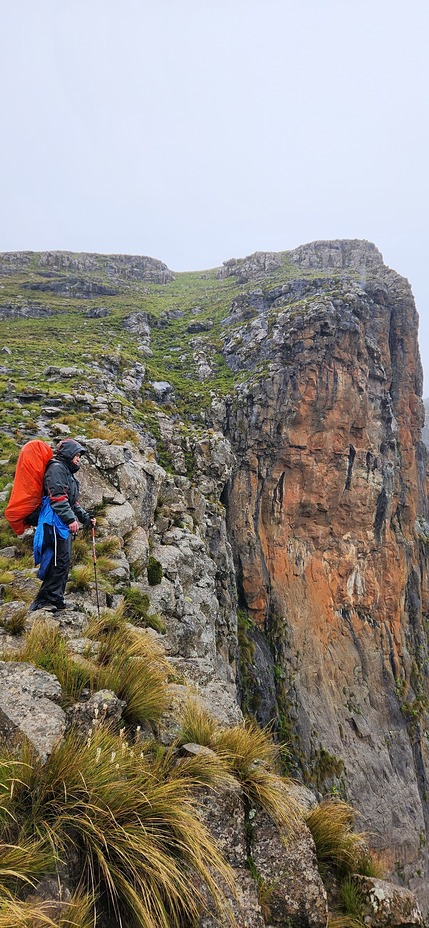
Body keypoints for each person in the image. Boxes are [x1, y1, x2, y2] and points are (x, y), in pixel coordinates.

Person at [29, 439, 95, 613]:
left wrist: (86, 518)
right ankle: (45, 601)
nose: (78, 459)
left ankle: (56, 598)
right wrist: (70, 520)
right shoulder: (57, 468)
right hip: (53, 523)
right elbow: (57, 498)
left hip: (60, 523)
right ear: (68, 453)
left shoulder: (65, 471)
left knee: (62, 562)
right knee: (58, 562)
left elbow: (72, 501)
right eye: (77, 455)